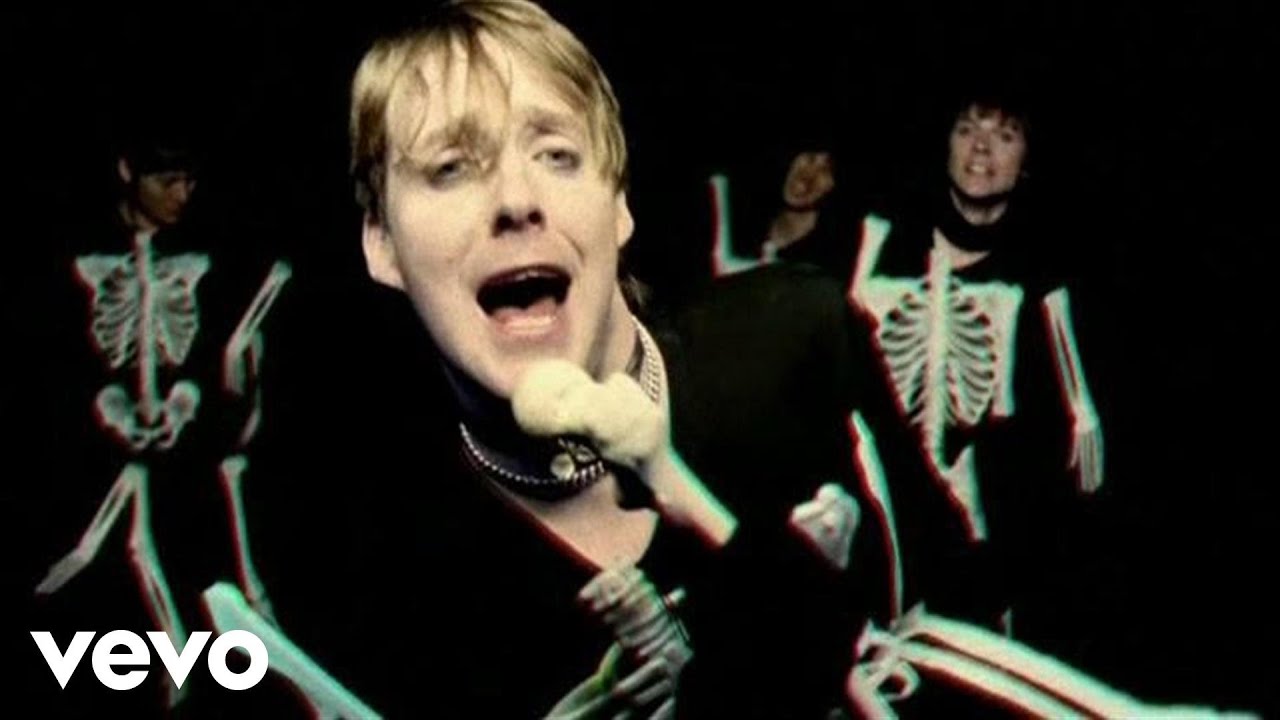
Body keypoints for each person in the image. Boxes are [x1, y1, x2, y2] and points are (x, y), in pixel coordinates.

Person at [243, 1, 906, 717]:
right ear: (381, 244)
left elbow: (945, 621)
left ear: (618, 203)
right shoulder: (370, 569)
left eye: (556, 155)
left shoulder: (794, 347)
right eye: (451, 168)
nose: (516, 200)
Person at [847, 91, 1106, 639]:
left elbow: (1053, 476)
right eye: (967, 129)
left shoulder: (1040, 287)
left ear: (1027, 161)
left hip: (975, 548)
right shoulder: (877, 243)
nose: (981, 148)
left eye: (1004, 136)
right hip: (865, 515)